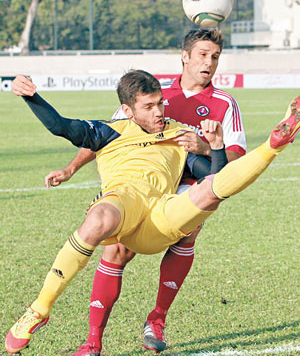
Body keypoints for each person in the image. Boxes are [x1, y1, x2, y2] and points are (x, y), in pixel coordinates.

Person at [5, 69, 300, 356]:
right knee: (99, 218)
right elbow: (61, 126)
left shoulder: (180, 136)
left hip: (160, 217)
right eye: (148, 106)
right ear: (127, 110)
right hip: (124, 204)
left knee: (207, 195)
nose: (159, 111)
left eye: (160, 102)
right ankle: (39, 310)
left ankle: (274, 146)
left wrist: (216, 147)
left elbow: (218, 179)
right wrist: (33, 97)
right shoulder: (110, 130)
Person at [29, 28, 247, 355]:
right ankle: (92, 342)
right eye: (202, 55)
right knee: (116, 250)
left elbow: (235, 159)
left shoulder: (225, 104)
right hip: (143, 184)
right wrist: (71, 168)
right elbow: (111, 135)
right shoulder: (153, 92)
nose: (209, 63)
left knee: (189, 229)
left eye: (215, 57)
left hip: (190, 179)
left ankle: (157, 319)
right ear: (185, 56)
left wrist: (204, 146)